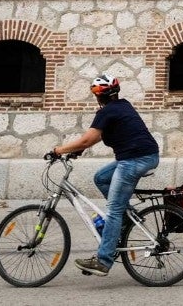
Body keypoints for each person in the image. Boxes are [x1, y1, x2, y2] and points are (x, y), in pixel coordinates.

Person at [51, 74, 160, 276]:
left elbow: (86, 140)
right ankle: (128, 217)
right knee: (101, 178)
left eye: (95, 93)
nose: (95, 97)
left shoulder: (108, 112)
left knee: (113, 211)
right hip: (144, 156)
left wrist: (59, 150)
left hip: (134, 160)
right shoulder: (122, 106)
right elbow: (107, 134)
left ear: (100, 96)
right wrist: (78, 151)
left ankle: (103, 260)